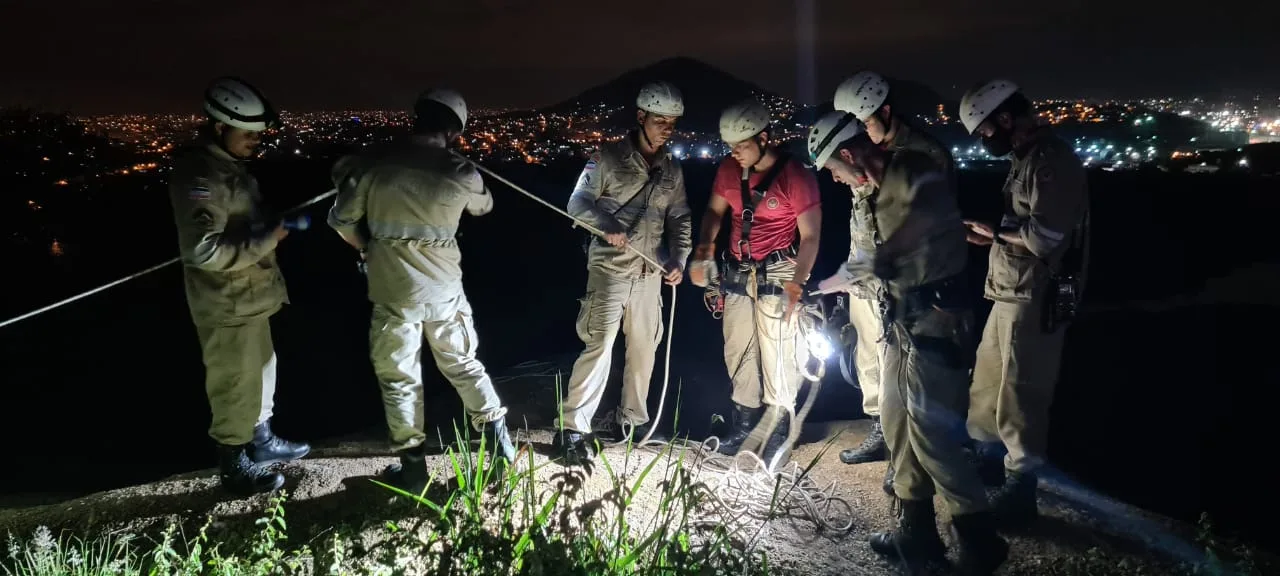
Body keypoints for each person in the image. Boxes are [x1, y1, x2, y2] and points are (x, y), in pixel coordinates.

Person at [809, 113, 1008, 574]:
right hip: (897, 323)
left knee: (933, 432)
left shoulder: (916, 169)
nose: (835, 180)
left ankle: (980, 538)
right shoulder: (865, 195)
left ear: (847, 154)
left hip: (935, 321)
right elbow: (863, 259)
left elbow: (926, 218)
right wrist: (822, 287)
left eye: (833, 171)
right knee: (897, 425)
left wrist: (881, 258)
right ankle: (916, 532)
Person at [327, 88, 518, 493]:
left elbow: (341, 220)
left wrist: (368, 246)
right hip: (444, 290)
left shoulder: (375, 164)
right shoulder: (461, 170)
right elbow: (484, 207)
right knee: (463, 364)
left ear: (417, 117)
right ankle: (501, 452)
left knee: (400, 379)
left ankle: (413, 472)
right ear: (455, 130)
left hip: (393, 291)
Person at [167, 77, 310, 496]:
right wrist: (272, 236)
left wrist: (274, 221)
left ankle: (261, 442)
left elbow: (239, 221)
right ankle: (234, 465)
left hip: (251, 297)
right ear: (219, 127)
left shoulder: (228, 168)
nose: (255, 142)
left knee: (262, 372)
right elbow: (203, 252)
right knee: (233, 381)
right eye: (247, 134)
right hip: (226, 303)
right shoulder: (201, 176)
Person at [959, 79, 1090, 528]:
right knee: (988, 382)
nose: (982, 138)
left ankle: (1020, 489)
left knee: (1021, 392)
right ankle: (986, 459)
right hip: (1009, 291)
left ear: (1005, 119)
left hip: (1034, 295)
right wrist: (989, 236)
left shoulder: (1050, 161)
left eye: (984, 129)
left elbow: (1045, 237)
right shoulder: (1025, 160)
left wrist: (993, 234)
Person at [555, 82, 692, 464]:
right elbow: (576, 202)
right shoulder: (607, 158)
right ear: (641, 117)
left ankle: (633, 422)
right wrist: (604, 223)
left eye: (673, 121)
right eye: (661, 120)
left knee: (645, 348)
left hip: (650, 272)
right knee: (599, 346)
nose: (667, 127)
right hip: (610, 270)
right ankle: (572, 429)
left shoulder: (672, 168)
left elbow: (679, 215)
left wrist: (678, 258)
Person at [830, 70, 959, 468]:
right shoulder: (870, 155)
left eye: (868, 122)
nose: (865, 132)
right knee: (870, 356)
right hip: (868, 277)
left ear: (886, 111)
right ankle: (882, 431)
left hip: (911, 284)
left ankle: (913, 453)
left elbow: (925, 225)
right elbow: (866, 219)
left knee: (905, 371)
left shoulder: (919, 155)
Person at [689, 98, 821, 464]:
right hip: (737, 268)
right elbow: (715, 211)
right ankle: (744, 424)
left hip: (779, 268)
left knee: (778, 348)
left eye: (743, 146)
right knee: (739, 348)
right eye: (731, 147)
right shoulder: (729, 170)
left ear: (765, 138)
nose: (736, 154)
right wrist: (704, 249)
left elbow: (810, 236)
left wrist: (797, 283)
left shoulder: (796, 176)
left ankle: (779, 428)